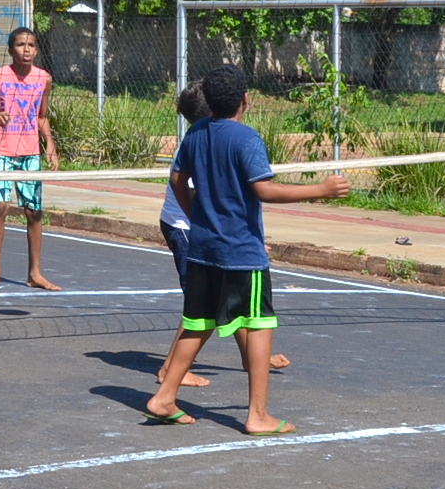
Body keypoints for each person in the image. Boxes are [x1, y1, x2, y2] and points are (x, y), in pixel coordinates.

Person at [143, 64, 349, 435]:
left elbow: (176, 179)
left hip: (203, 248)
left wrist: (195, 215)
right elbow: (264, 190)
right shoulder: (246, 138)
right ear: (245, 99)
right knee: (259, 324)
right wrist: (321, 190)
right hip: (239, 251)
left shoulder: (196, 133)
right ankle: (258, 415)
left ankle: (165, 397)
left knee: (198, 322)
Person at [0, 26, 60, 292]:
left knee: (33, 211)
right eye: (21, 44)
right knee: (1, 207)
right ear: (11, 49)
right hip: (3, 149)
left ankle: (35, 273)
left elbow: (42, 116)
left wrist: (50, 144)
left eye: (31, 45)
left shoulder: (43, 79)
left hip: (30, 151)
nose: (27, 49)